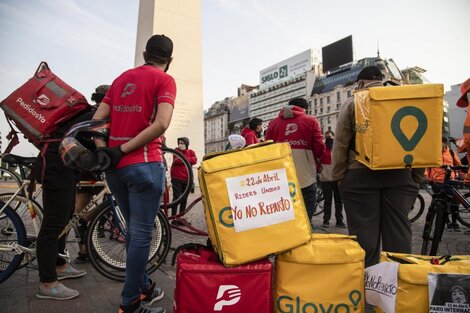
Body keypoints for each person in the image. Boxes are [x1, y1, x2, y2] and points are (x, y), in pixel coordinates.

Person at [92, 34, 175, 313]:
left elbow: (97, 119)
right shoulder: (165, 80)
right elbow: (162, 123)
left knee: (131, 233)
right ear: (169, 61)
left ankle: (145, 287)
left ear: (144, 54)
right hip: (144, 165)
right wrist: (125, 148)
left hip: (116, 169)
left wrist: (106, 149)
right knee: (140, 236)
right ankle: (130, 304)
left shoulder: (120, 79)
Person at [332, 65, 422, 268]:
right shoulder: (401, 98)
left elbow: (341, 143)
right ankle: (400, 283)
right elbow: (420, 140)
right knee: (398, 233)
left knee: (364, 236)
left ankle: (368, 286)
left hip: (359, 175)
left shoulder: (353, 102)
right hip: (399, 174)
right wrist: (416, 176)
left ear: (361, 83)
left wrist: (339, 176)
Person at [35, 109, 94, 299]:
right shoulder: (93, 117)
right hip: (56, 168)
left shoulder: (87, 116)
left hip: (65, 169)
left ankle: (59, 265)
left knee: (66, 219)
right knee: (53, 225)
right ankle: (47, 283)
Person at [265, 97, 330, 223]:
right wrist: (318, 163)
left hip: (280, 177)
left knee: (285, 215)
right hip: (305, 176)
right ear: (305, 109)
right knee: (306, 214)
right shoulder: (311, 121)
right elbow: (319, 146)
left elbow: (267, 148)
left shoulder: (273, 123)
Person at [74, 85, 111, 264]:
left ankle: (84, 249)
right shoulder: (96, 117)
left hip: (89, 171)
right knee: (78, 216)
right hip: (84, 171)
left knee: (83, 214)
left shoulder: (90, 115)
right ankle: (83, 251)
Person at [426, 137, 463, 232]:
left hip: (451, 180)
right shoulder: (432, 154)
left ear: (445, 143)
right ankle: (448, 222)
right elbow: (426, 166)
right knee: (442, 203)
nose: (441, 145)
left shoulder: (451, 152)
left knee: (455, 202)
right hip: (437, 181)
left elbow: (458, 164)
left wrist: (462, 174)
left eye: (442, 143)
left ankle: (455, 223)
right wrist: (426, 176)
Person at [320, 130, 346, 228]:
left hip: (336, 178)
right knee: (328, 201)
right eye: (327, 137)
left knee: (338, 201)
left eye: (330, 137)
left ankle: (339, 221)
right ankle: (326, 220)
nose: (328, 139)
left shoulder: (337, 148)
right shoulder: (322, 148)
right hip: (325, 179)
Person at [170, 137, 197, 224]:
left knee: (184, 198)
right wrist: (188, 160)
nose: (180, 145)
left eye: (182, 143)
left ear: (186, 144)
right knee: (176, 198)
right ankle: (173, 218)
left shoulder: (190, 152)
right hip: (176, 177)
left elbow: (195, 160)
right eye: (179, 143)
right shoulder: (176, 151)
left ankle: (181, 218)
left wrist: (185, 159)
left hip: (187, 179)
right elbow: (178, 160)